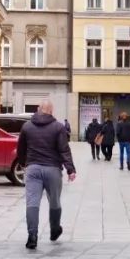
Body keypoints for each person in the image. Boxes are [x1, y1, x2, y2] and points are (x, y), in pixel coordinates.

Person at [17, 99, 77, 250]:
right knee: (55, 202)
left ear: (38, 109)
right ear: (51, 111)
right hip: (53, 170)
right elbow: (64, 150)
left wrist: (24, 163)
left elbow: (21, 149)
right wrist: (70, 169)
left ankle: (32, 236)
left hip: (33, 169)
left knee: (32, 203)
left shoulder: (27, 126)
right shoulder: (58, 127)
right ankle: (55, 230)